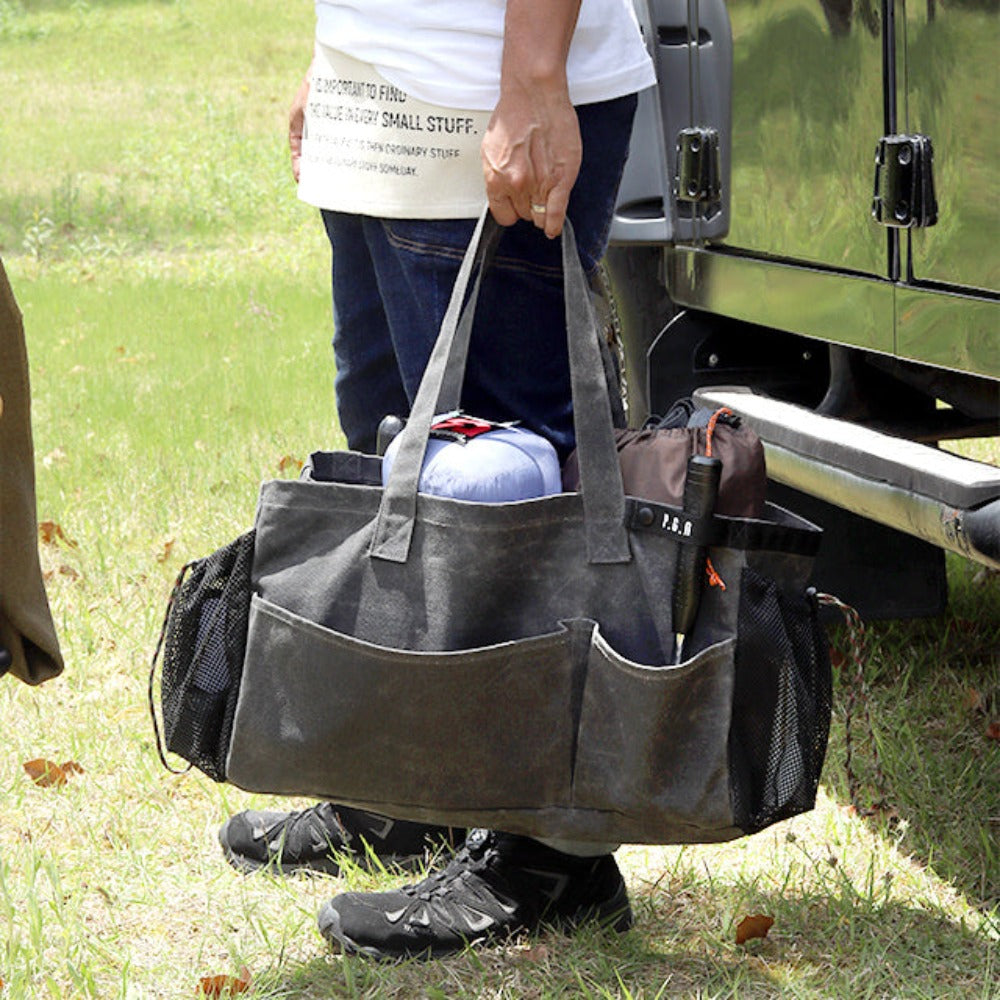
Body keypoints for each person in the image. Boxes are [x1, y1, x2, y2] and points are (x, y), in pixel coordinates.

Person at [218, 0, 655, 960]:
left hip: (488, 93)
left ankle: (551, 860)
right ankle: (414, 789)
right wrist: (338, 64)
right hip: (384, 98)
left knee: (505, 488)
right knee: (396, 471)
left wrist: (534, 77)